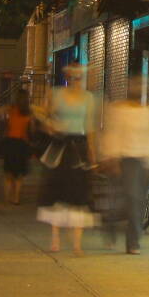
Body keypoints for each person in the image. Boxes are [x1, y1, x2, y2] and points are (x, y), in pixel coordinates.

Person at [99, 75, 149, 254]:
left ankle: (131, 237)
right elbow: (113, 134)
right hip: (126, 158)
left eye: (146, 88)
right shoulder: (119, 109)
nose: (142, 92)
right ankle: (123, 236)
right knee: (128, 199)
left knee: (138, 202)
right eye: (138, 88)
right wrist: (111, 157)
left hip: (148, 160)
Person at [36, 64, 97, 255]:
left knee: (78, 194)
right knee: (57, 192)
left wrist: (92, 151)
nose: (75, 80)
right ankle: (55, 239)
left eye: (79, 77)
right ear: (67, 77)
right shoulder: (56, 94)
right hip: (60, 144)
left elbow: (89, 127)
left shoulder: (88, 98)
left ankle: (77, 243)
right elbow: (41, 114)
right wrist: (50, 125)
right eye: (72, 77)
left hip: (77, 146)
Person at [0, 89, 32, 205]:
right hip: (22, 143)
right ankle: (16, 198)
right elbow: (29, 131)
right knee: (19, 174)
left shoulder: (11, 110)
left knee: (8, 173)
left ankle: (7, 198)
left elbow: (6, 124)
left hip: (10, 142)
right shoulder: (28, 113)